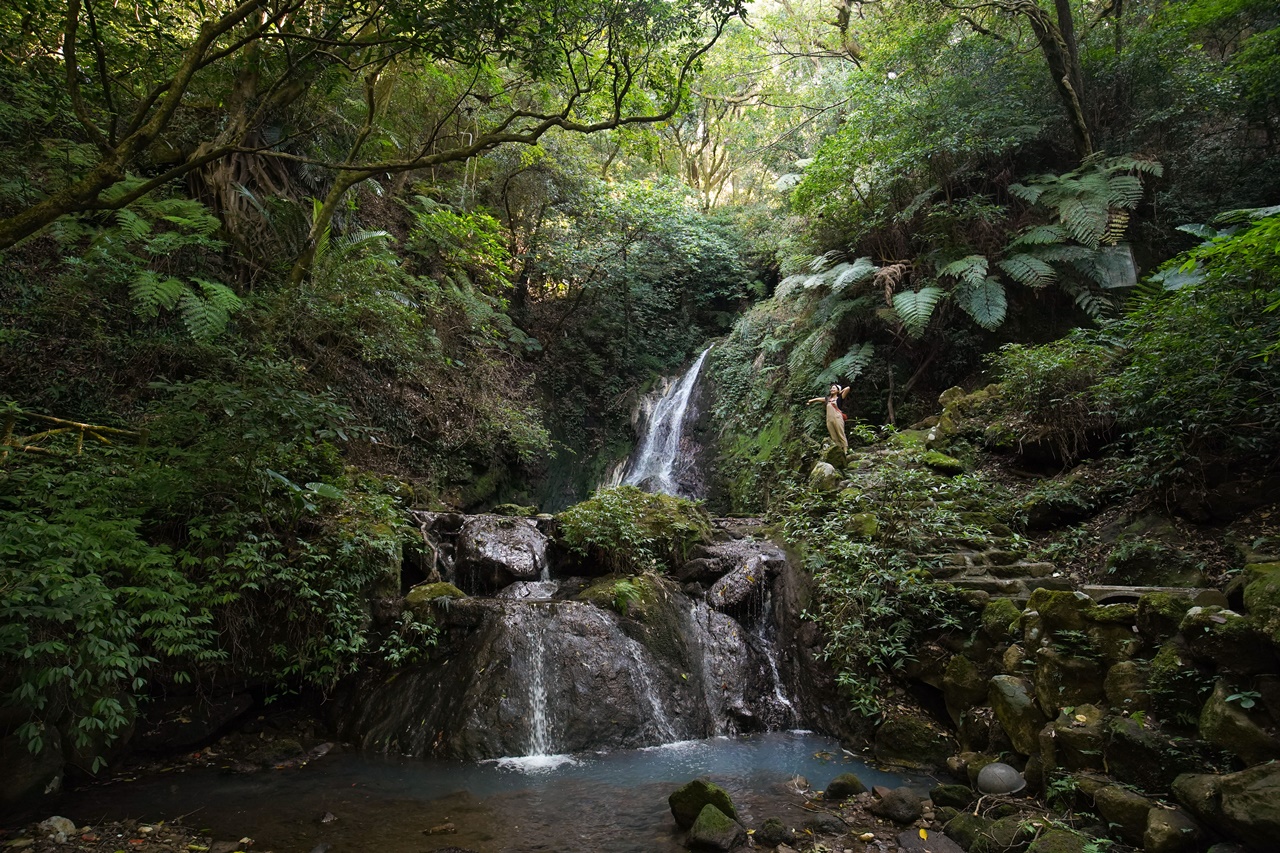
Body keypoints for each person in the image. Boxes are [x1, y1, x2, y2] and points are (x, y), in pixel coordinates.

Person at [808, 383, 851, 452]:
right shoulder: (827, 399)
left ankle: (845, 450)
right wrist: (811, 401)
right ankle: (839, 451)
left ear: (838, 390)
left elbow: (848, 388)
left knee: (840, 434)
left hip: (837, 418)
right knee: (833, 436)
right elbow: (819, 399)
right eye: (831, 388)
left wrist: (840, 391)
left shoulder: (840, 398)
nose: (832, 389)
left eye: (834, 388)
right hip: (829, 419)